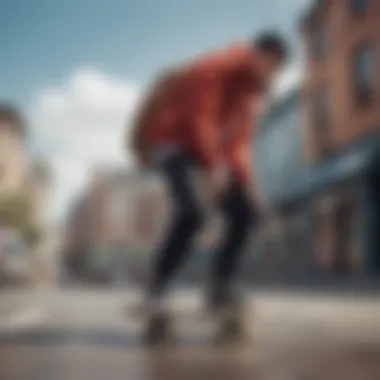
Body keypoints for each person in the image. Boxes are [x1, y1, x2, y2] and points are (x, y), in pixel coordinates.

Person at [129, 31, 289, 314]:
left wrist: (248, 184)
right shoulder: (215, 66)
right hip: (174, 143)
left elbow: (240, 142)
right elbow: (199, 117)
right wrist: (214, 164)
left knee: (244, 211)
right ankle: (156, 290)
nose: (273, 77)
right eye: (273, 68)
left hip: (208, 154)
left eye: (278, 72)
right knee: (194, 212)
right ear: (261, 56)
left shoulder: (250, 94)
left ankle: (220, 289)